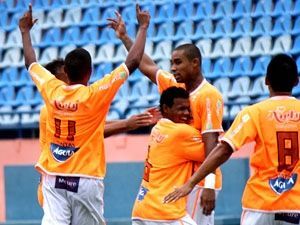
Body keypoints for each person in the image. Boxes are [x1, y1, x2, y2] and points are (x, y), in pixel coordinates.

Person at [19, 4, 150, 225]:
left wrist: (24, 31)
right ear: (90, 72)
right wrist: (143, 27)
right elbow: (133, 61)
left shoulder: (51, 90)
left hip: (53, 177)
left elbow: (31, 62)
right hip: (85, 178)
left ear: (66, 73)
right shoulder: (94, 95)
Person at [108, 12, 223, 224]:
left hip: (198, 181)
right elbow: (147, 66)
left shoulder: (210, 96)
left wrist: (209, 186)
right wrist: (124, 37)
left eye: (178, 63)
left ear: (195, 63)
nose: (173, 68)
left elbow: (212, 146)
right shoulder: (174, 86)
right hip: (177, 180)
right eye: (171, 62)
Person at [164, 54, 300, 225]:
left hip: (260, 205)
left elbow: (224, 149)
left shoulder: (254, 113)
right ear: (296, 81)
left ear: (266, 81)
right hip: (295, 206)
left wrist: (191, 183)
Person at [37, 59, 158, 207]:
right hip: (63, 181)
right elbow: (89, 133)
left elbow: (94, 126)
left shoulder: (65, 105)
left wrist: (134, 120)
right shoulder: (51, 110)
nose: (70, 79)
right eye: (66, 76)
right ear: (55, 80)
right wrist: (127, 124)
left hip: (65, 180)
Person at [132, 86, 206, 225]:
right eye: (181, 109)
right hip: (164, 214)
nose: (187, 113)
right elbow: (214, 151)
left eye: (188, 109)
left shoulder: (158, 127)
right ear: (166, 109)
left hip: (141, 210)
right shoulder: (181, 132)